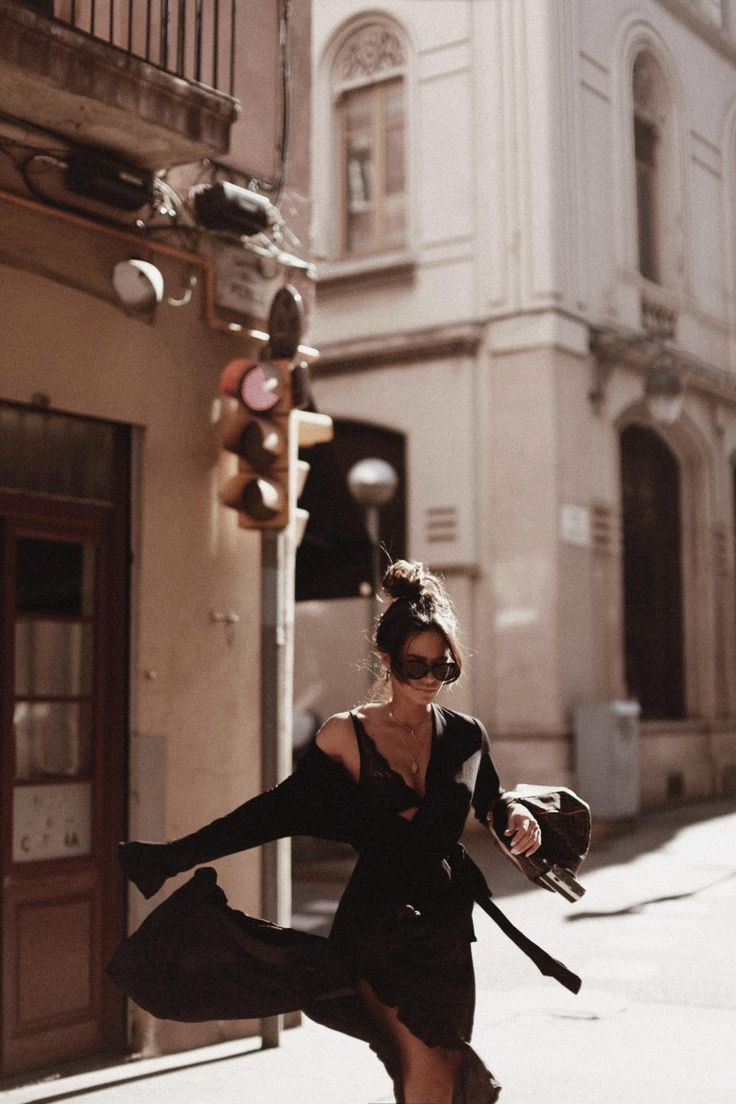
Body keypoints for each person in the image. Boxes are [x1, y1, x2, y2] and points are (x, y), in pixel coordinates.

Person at [114, 560, 547, 1104]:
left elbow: (491, 799)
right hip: (376, 930)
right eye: (418, 664)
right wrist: (173, 857)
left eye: (445, 667)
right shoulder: (346, 736)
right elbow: (272, 813)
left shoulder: (466, 735)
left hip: (446, 931)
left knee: (447, 1067)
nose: (433, 677)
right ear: (387, 660)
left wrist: (516, 814)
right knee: (426, 1068)